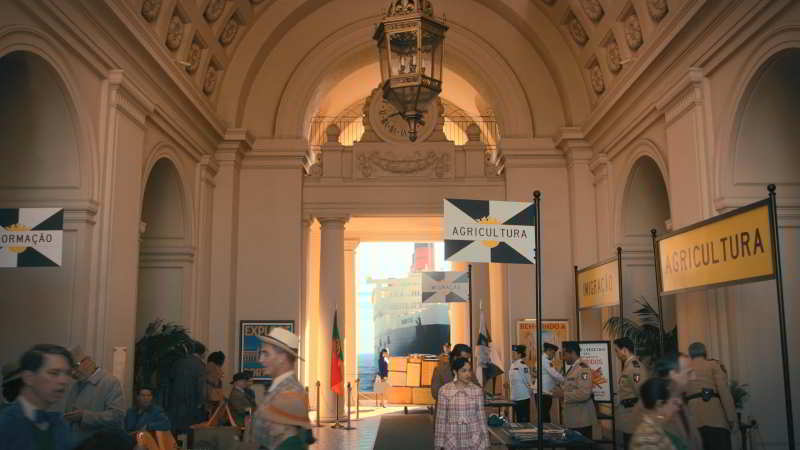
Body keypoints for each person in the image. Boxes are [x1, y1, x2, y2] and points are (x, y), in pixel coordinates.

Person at [246, 327, 313, 449]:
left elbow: (291, 443)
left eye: (266, 353)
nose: (260, 360)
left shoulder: (290, 392)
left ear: (282, 357)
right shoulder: (280, 387)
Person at [0, 344, 75, 450]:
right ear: (28, 378)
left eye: (67, 373)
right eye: (54, 373)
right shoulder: (4, 423)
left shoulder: (60, 424)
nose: (64, 381)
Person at [64, 346, 125, 444]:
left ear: (88, 361)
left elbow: (117, 417)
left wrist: (84, 416)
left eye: (75, 366)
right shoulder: (76, 385)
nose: (73, 373)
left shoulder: (110, 382)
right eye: (69, 371)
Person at [686, 342, 736, 450]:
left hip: (693, 422)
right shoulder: (713, 365)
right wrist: (731, 418)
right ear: (705, 353)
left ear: (690, 354)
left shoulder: (685, 369)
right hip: (716, 420)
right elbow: (724, 393)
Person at [434, 357, 490, 450]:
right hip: (452, 439)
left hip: (474, 438)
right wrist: (438, 445)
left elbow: (481, 418)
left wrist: (486, 442)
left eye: (469, 370)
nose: (468, 374)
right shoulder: (444, 391)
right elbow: (441, 420)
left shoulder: (477, 390)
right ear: (455, 372)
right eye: (464, 371)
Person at [654, 353, 703, 449]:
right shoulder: (657, 407)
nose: (694, 377)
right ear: (673, 374)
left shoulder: (678, 401)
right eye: (689, 373)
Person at [552, 341, 596, 439]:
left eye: (564, 354)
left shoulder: (582, 368)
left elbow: (584, 393)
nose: (563, 357)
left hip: (581, 420)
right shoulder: (573, 368)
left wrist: (563, 394)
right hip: (574, 419)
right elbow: (571, 387)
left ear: (572, 353)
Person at [631, 378, 684, 450]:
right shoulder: (647, 439)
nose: (678, 408)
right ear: (659, 405)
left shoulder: (657, 427)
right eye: (674, 403)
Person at [166, 340, 206, 434]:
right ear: (202, 354)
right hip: (191, 404)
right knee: (190, 432)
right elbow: (201, 387)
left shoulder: (178, 362)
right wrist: (201, 403)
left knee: (176, 431)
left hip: (174, 403)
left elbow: (170, 381)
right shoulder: (200, 365)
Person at [615, 337, 647, 449]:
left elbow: (641, 392)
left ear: (624, 350)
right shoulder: (628, 366)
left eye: (617, 350)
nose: (617, 354)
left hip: (633, 416)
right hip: (628, 415)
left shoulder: (634, 367)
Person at [536, 342, 564, 423]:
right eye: (553, 352)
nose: (554, 355)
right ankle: (546, 434)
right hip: (544, 393)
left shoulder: (543, 360)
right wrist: (565, 380)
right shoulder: (545, 360)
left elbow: (552, 376)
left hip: (545, 392)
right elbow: (554, 374)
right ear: (548, 351)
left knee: (544, 416)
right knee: (544, 417)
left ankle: (546, 433)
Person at [509, 345, 533, 423]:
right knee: (517, 422)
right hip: (515, 397)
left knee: (524, 422)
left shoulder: (523, 366)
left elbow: (528, 381)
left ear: (519, 355)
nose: (512, 354)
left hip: (523, 397)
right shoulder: (513, 365)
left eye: (514, 353)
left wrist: (530, 392)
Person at [205, 351, 225, 416]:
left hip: (211, 397)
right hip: (212, 397)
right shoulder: (212, 367)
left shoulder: (208, 366)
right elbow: (214, 382)